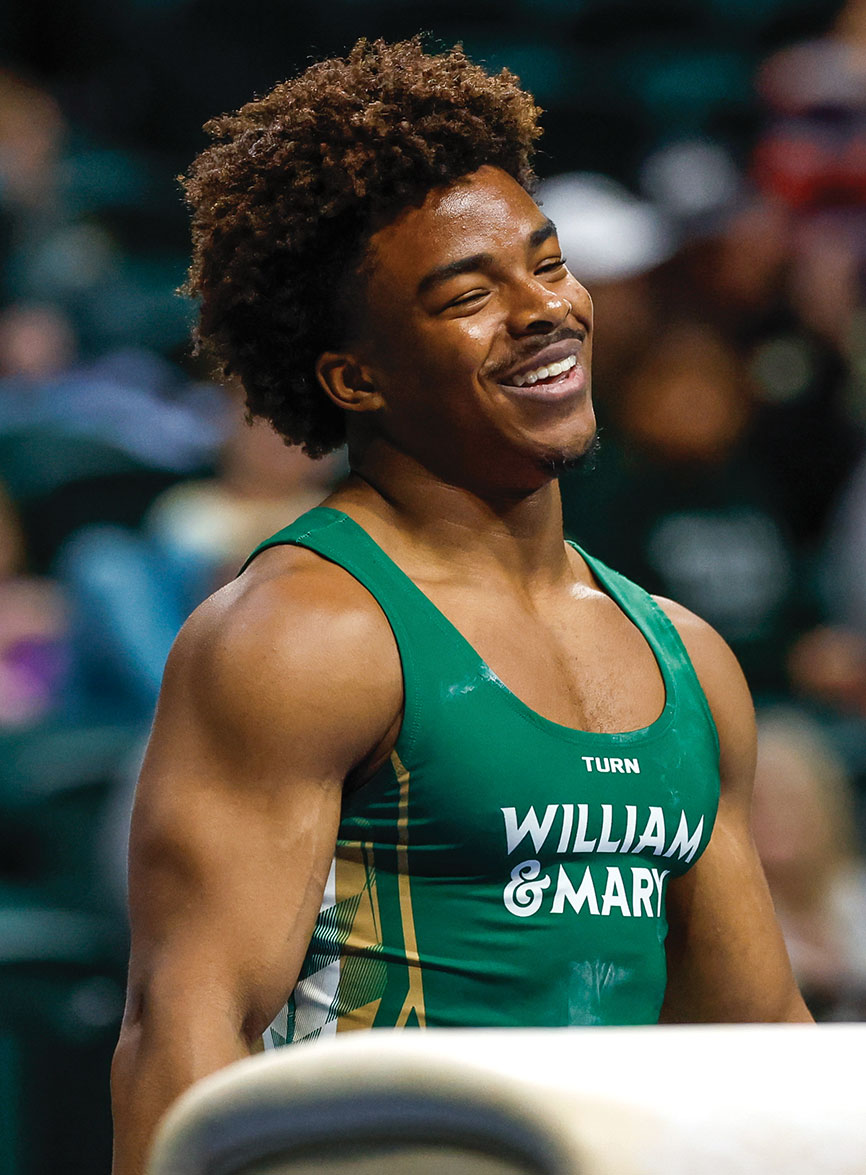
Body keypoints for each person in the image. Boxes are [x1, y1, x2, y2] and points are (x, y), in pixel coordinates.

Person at [110, 37, 811, 1175]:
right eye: (467, 296)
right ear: (355, 378)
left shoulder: (682, 653)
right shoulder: (301, 635)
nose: (541, 310)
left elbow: (755, 1040)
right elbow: (184, 1034)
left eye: (546, 263)